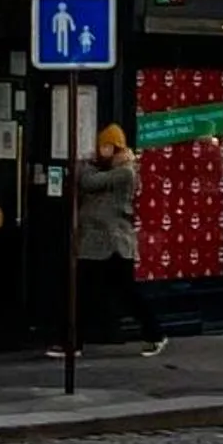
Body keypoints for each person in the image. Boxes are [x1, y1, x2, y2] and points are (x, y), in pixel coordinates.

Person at [76, 124, 165, 356]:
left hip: (114, 243)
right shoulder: (106, 168)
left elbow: (88, 182)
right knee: (84, 291)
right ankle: (72, 341)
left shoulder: (125, 171)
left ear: (116, 148)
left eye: (106, 146)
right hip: (96, 242)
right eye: (100, 145)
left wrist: (84, 164)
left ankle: (155, 333)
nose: (101, 149)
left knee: (127, 293)